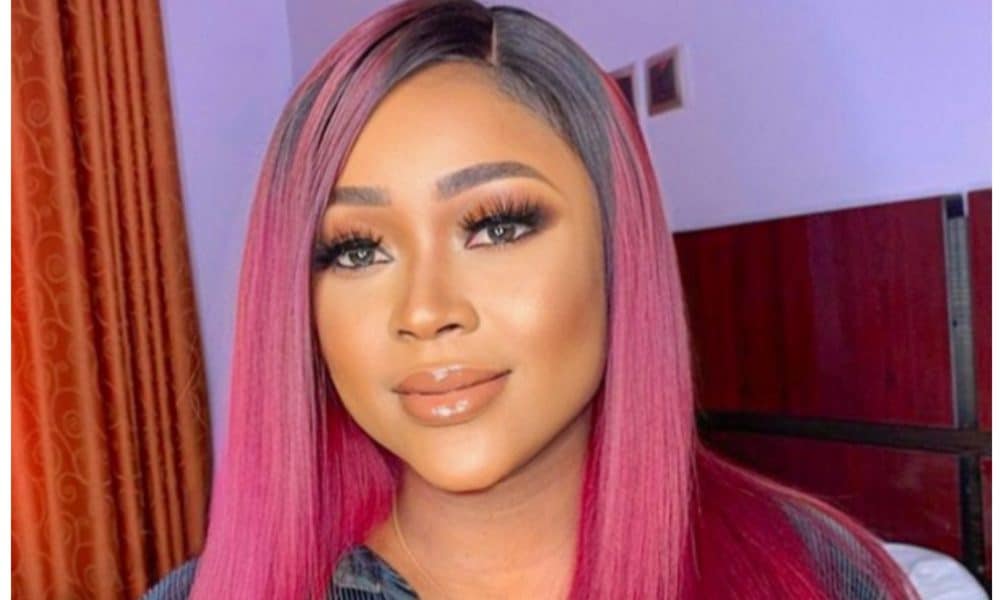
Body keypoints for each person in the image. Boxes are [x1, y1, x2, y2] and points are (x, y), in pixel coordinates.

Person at [146, 1, 924, 598]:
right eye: (356, 249)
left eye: (496, 227)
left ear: (616, 251)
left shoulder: (817, 574)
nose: (424, 311)